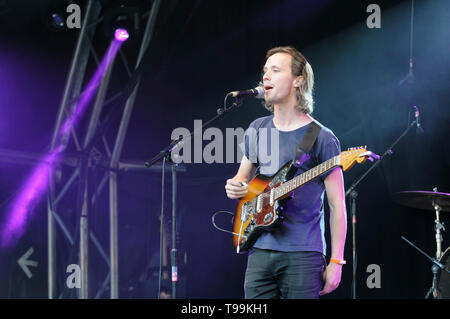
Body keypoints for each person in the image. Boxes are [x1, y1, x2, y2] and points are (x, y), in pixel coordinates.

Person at [225, 46, 347, 299]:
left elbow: (338, 206)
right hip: (258, 250)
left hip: (303, 254)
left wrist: (336, 261)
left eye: (275, 70)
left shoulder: (321, 136)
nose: (266, 76)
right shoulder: (257, 128)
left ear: (298, 80)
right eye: (265, 71)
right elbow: (241, 179)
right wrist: (234, 186)